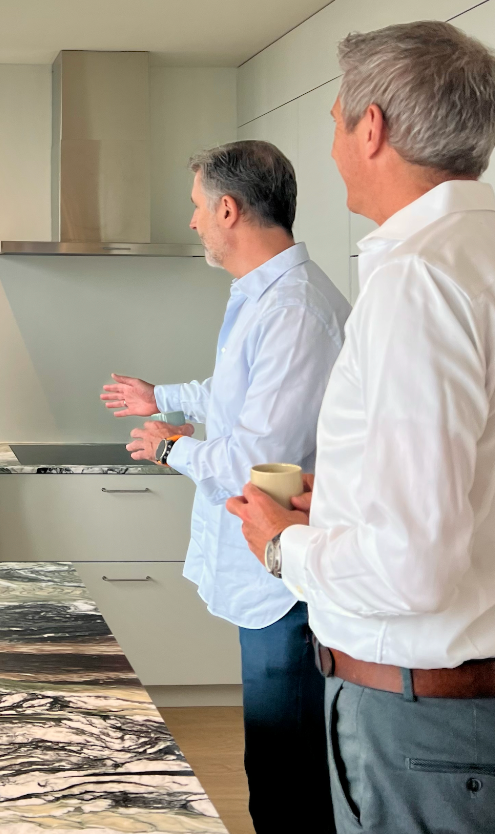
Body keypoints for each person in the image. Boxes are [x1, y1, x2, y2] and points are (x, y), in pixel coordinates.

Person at [228, 20, 495, 834]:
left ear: (370, 127)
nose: (335, 141)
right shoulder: (473, 252)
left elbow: (415, 563)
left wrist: (283, 545)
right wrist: (341, 500)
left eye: (338, 116)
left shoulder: (417, 281)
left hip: (419, 723)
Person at [101, 140, 351, 834]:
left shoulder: (295, 308)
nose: (193, 222)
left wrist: (171, 445)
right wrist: (164, 396)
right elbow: (237, 395)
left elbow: (256, 455)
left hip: (285, 589)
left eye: (196, 207)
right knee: (274, 769)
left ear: (229, 208)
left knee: (285, 783)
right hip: (266, 575)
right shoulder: (266, 296)